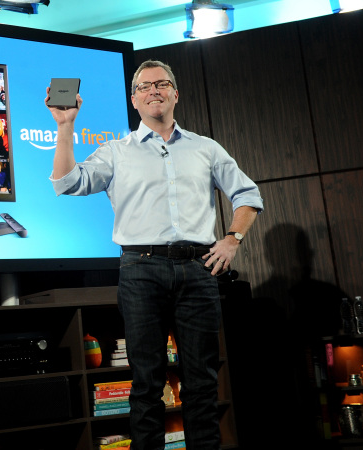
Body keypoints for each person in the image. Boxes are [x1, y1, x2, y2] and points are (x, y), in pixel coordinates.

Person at [45, 59, 263, 450]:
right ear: (134, 100)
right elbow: (67, 183)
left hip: (199, 270)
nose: (154, 91)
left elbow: (248, 196)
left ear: (175, 94)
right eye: (144, 87)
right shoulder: (116, 151)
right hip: (140, 271)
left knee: (202, 382)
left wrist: (232, 238)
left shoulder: (205, 148)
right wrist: (65, 127)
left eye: (162, 84)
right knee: (147, 383)